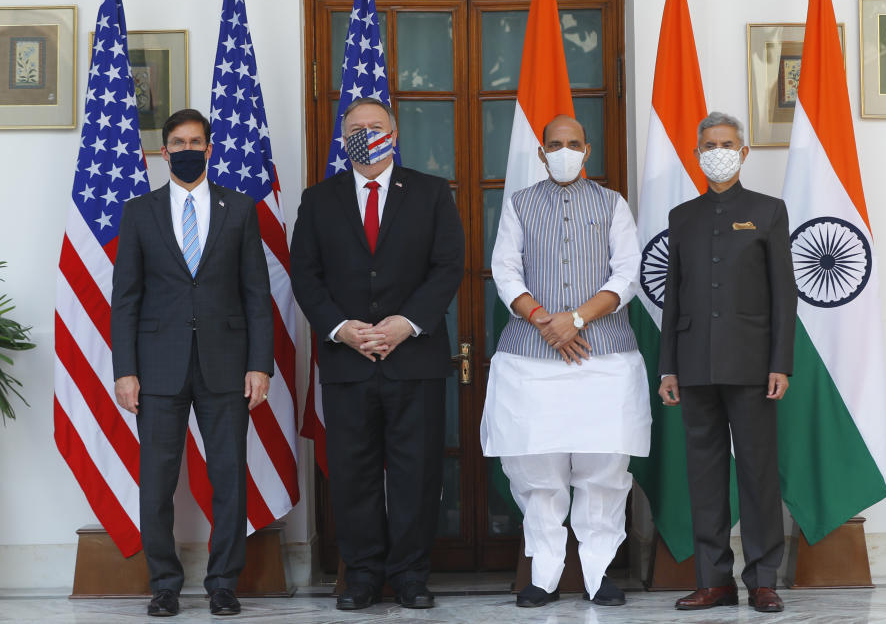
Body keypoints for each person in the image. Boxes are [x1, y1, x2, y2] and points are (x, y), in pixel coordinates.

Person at [290, 97, 465, 611]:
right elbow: (306, 275)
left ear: (394, 132)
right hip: (348, 360)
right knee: (352, 472)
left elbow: (447, 267)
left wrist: (404, 324)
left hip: (415, 358)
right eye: (356, 128)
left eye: (375, 126)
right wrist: (342, 329)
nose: (366, 134)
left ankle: (410, 575)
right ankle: (363, 575)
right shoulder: (319, 199)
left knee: (417, 473)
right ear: (343, 139)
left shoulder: (432, 194)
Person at [480, 114, 652, 608]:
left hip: (604, 357)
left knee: (603, 468)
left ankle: (599, 575)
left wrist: (574, 320)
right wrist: (544, 322)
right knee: (538, 471)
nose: (564, 151)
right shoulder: (520, 204)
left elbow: (627, 274)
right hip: (531, 359)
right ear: (540, 152)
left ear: (588, 149)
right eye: (554, 144)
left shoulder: (612, 204)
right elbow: (505, 270)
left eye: (573, 143)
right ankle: (545, 574)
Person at [111, 108, 273, 617]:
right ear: (164, 151)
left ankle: (223, 583)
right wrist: (125, 370)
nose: (186, 149)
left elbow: (256, 294)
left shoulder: (241, 209)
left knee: (228, 477)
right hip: (157, 367)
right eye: (176, 142)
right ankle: (163, 584)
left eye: (195, 142)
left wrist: (259, 364)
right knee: (157, 482)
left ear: (209, 148)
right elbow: (127, 298)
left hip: (227, 364)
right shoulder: (139, 211)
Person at [658, 111, 797, 614]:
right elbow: (673, 298)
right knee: (704, 474)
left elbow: (785, 295)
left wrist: (781, 362)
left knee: (759, 473)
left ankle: (763, 579)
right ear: (697, 154)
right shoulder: (682, 216)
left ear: (743, 151)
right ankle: (713, 580)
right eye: (709, 144)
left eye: (728, 143)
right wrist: (667, 366)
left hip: (753, 365)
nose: (719, 150)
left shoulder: (769, 211)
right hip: (694, 366)